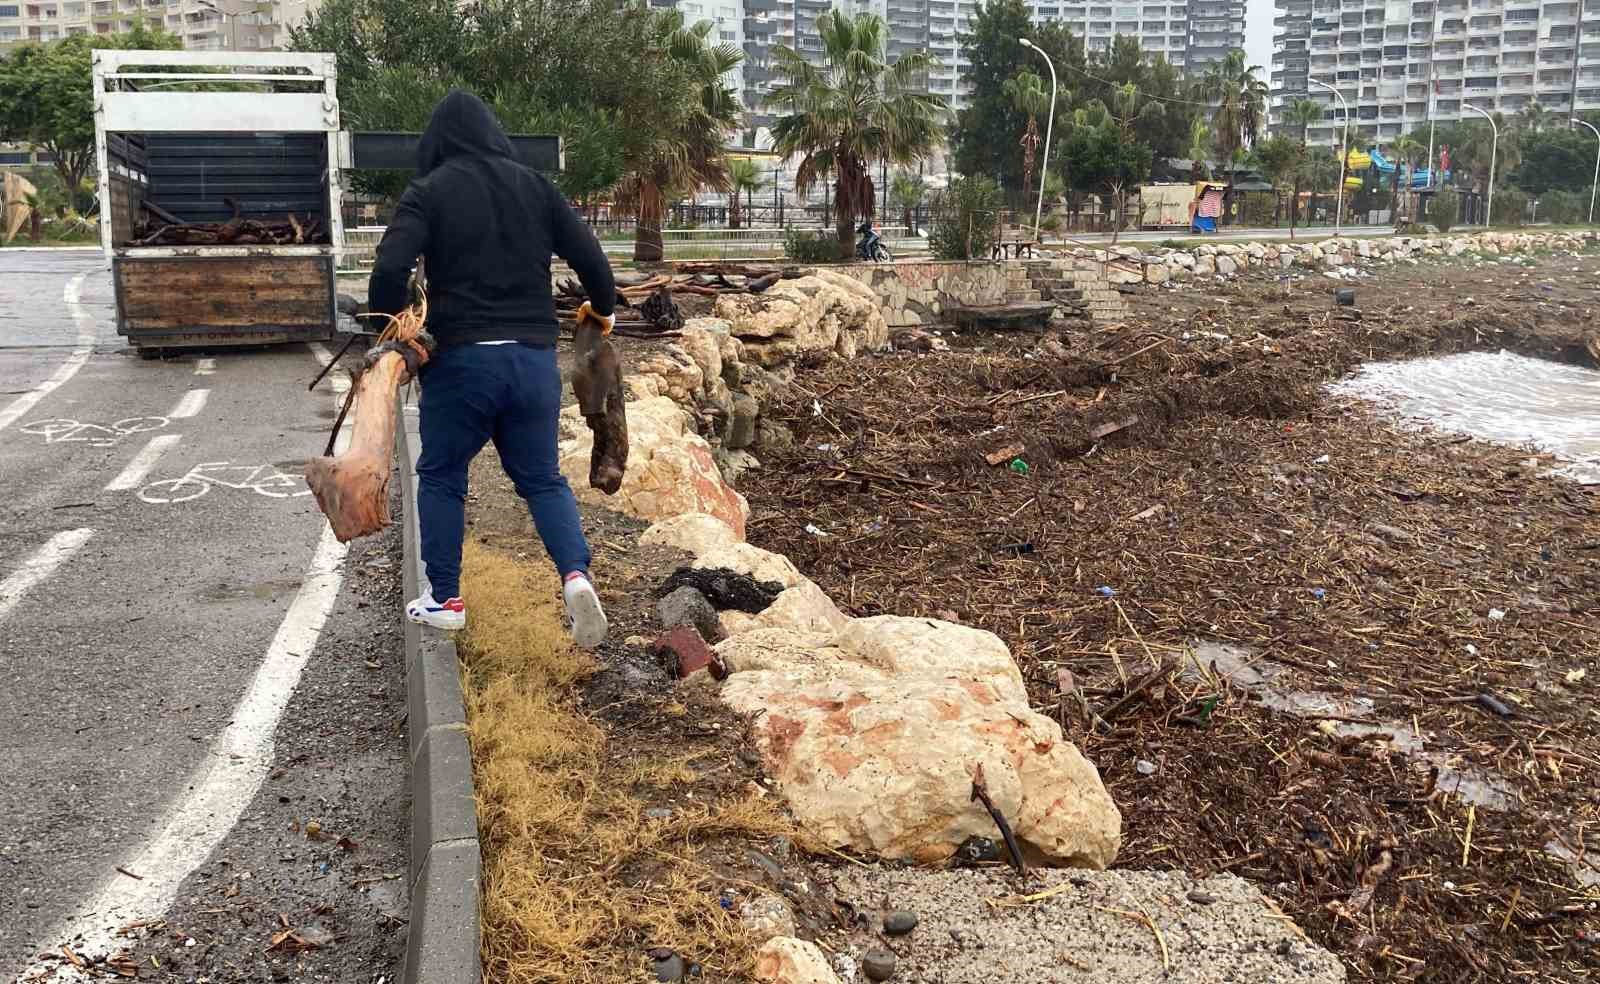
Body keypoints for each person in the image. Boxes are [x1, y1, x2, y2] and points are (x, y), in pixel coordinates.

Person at [368, 90, 615, 647]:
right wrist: (600, 310)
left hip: (463, 364)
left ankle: (445, 598)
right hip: (531, 362)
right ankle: (576, 575)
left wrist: (391, 325)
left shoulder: (428, 192)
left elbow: (389, 267)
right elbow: (594, 262)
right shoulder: (536, 187)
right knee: (542, 479)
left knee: (442, 475)